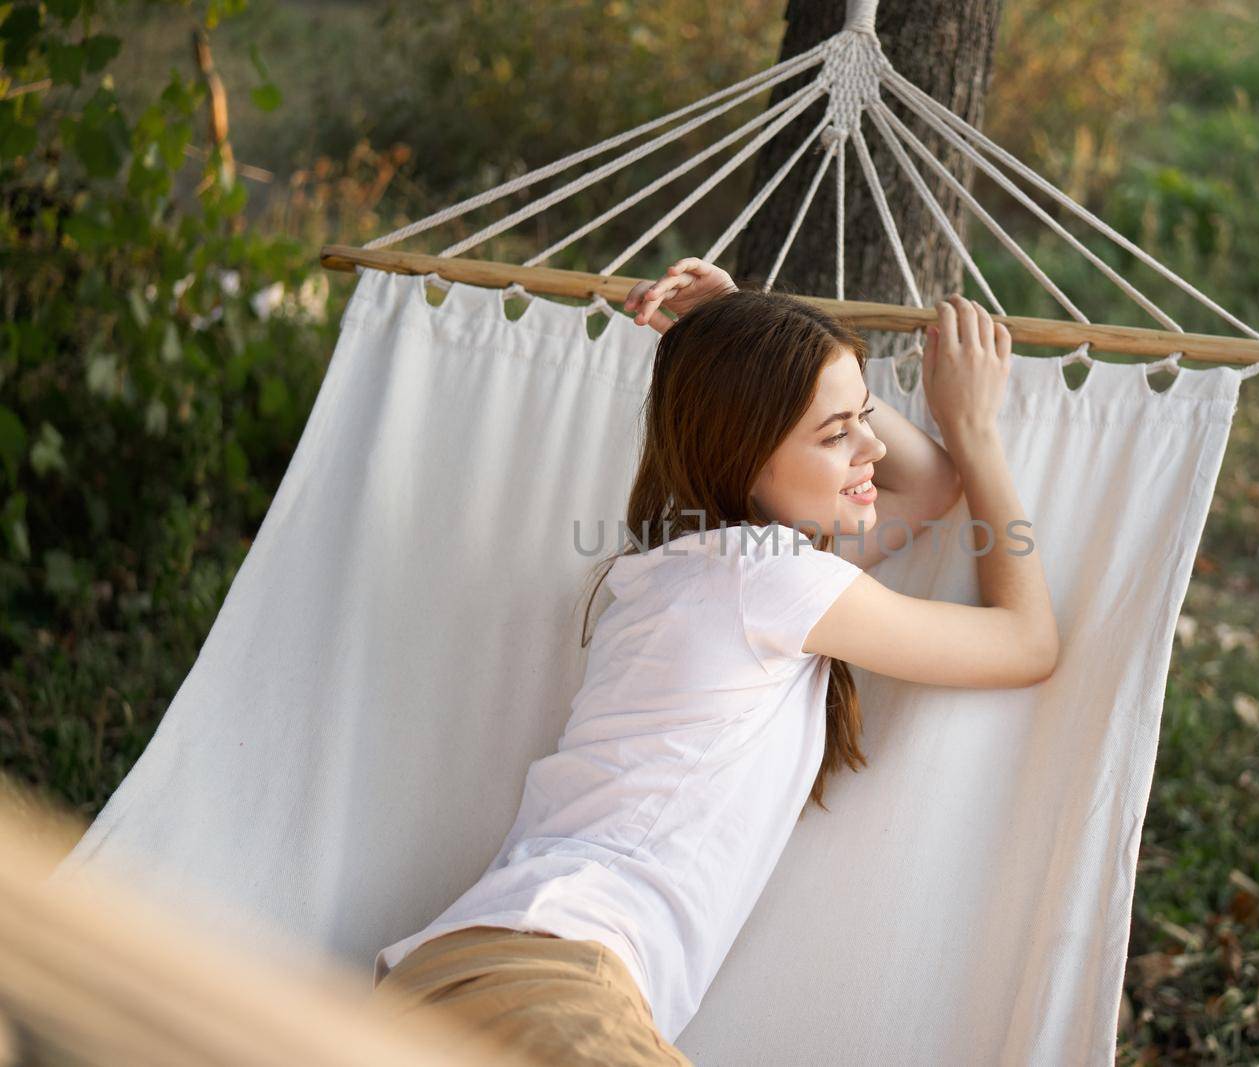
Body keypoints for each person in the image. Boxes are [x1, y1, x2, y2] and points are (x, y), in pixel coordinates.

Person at [370, 259, 1060, 1065]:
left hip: (484, 972)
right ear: (746, 453)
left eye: (866, 415)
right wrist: (976, 428)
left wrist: (750, 335)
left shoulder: (703, 570)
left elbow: (924, 487)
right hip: (549, 979)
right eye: (838, 433)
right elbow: (1027, 641)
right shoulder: (767, 579)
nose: (871, 443)